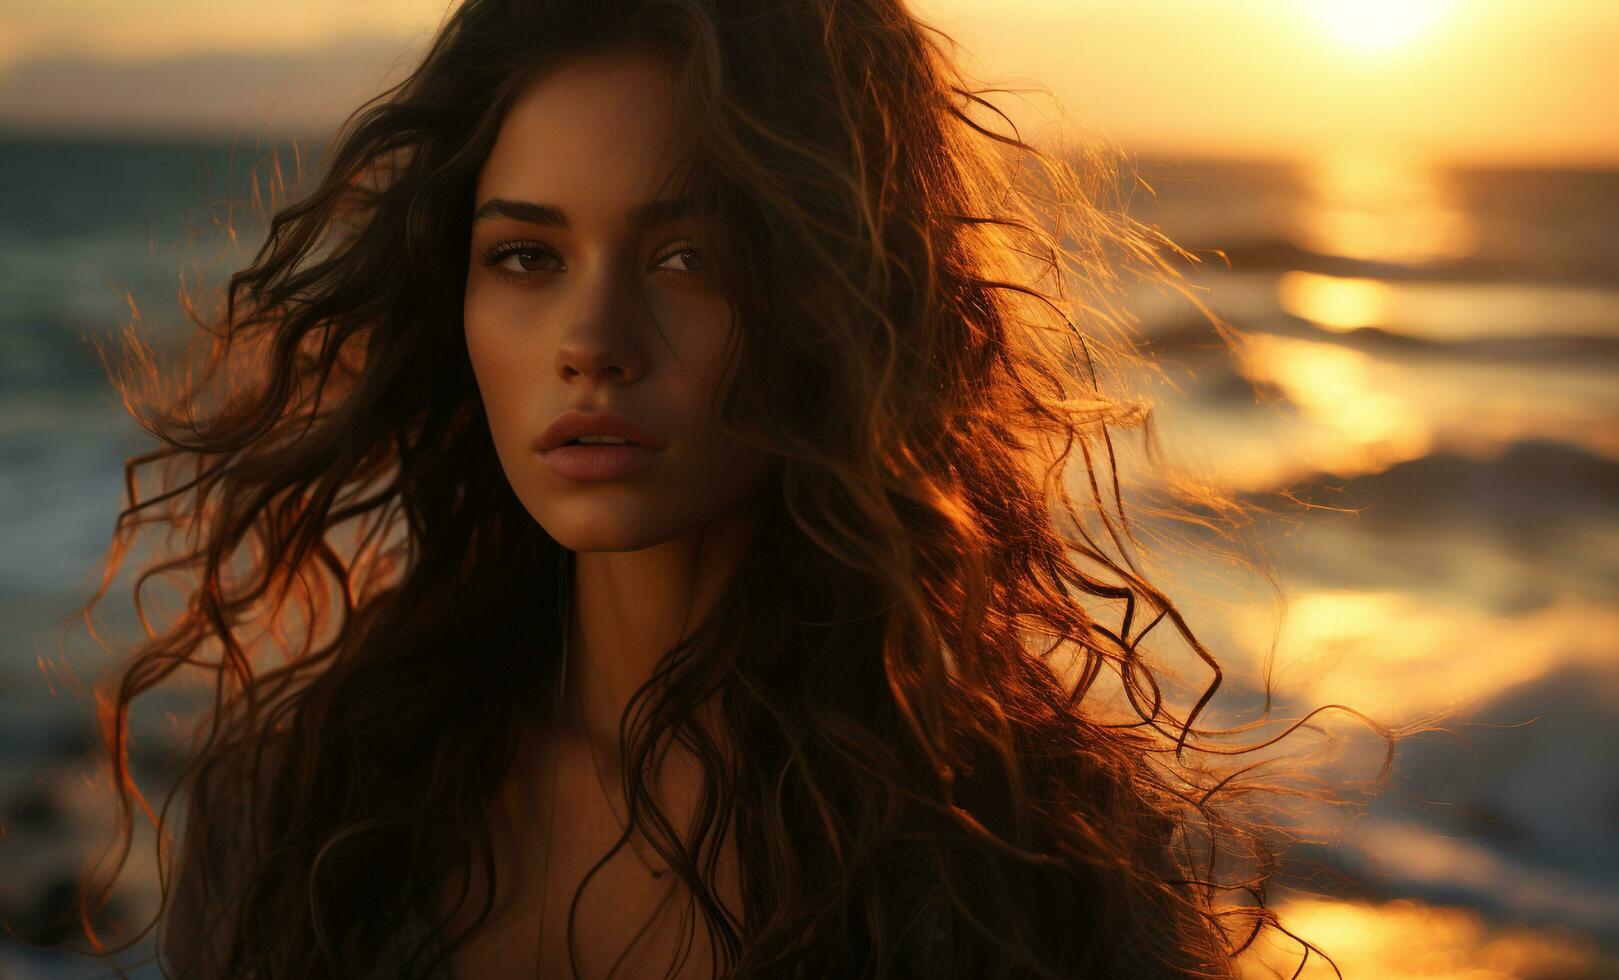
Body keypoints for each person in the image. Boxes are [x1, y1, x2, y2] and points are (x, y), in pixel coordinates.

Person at [75, 0, 1293, 976]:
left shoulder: (1025, 862)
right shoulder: (306, 804)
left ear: (838, 301)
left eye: (687, 256)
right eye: (526, 257)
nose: (591, 337)